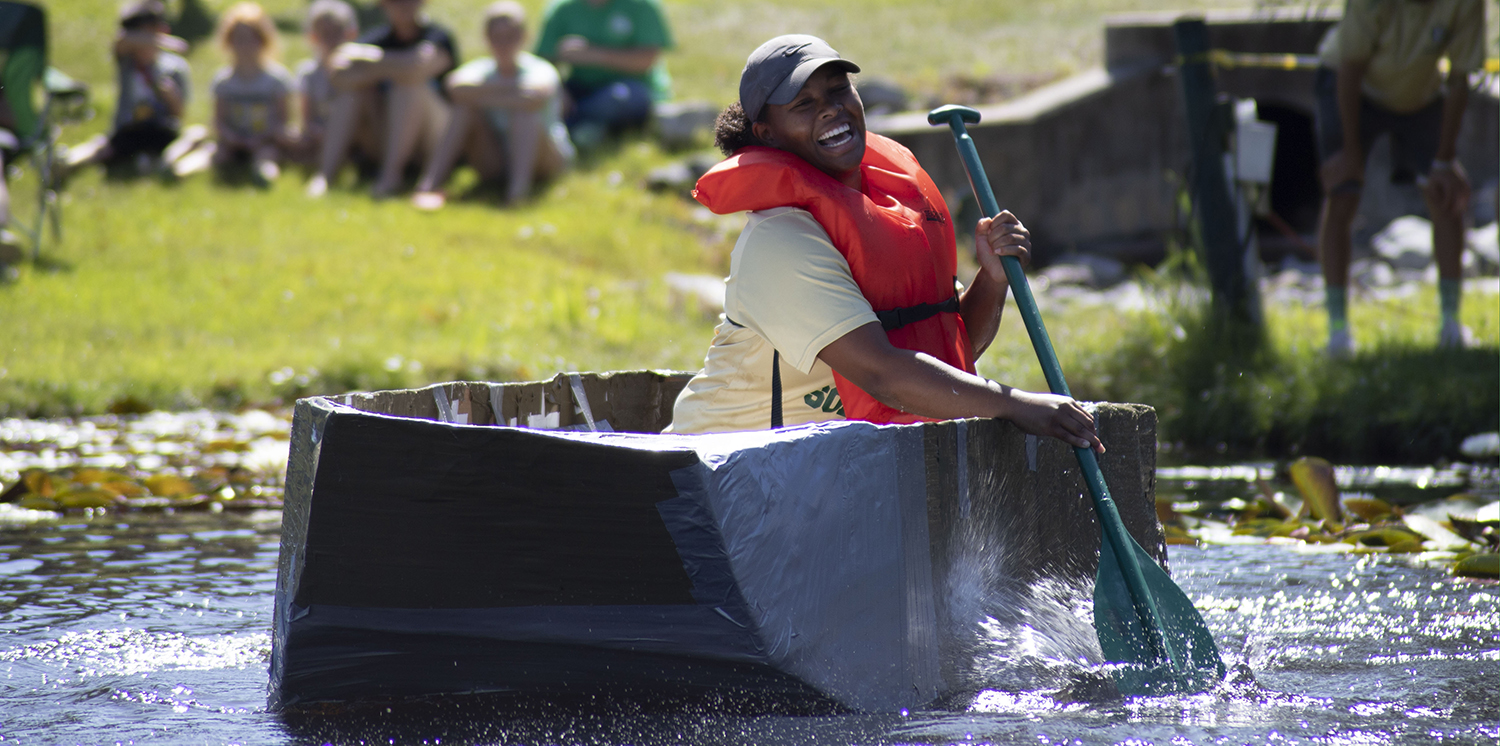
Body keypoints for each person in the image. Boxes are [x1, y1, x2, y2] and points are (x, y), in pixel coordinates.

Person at [668, 34, 1102, 455]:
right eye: (804, 104)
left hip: (814, 467)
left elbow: (947, 351)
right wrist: (1015, 404)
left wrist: (991, 279)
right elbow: (884, 373)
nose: (832, 110)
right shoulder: (781, 239)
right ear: (767, 134)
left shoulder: (892, 210)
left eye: (840, 90)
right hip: (713, 470)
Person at [1314, 0, 1486, 355]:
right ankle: (1337, 332)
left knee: (1447, 195)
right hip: (1352, 88)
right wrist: (1349, 151)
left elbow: (1459, 79)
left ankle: (1451, 326)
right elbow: (1350, 67)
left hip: (1419, 94)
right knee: (1343, 193)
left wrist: (1444, 158)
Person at [411, 1, 574, 210]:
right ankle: (429, 185)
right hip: (496, 158)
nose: (504, 44)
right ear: (487, 38)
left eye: (511, 36)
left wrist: (481, 95)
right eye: (497, 37)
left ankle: (517, 195)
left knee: (524, 115)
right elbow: (454, 88)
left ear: (524, 37)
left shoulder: (539, 68)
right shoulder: (481, 69)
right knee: (464, 111)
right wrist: (513, 93)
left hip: (544, 159)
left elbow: (535, 97)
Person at [305, 0, 458, 198]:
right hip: (385, 135)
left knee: (408, 89)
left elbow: (417, 70)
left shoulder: (438, 36)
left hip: (433, 142)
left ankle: (390, 176)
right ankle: (326, 175)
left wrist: (370, 61)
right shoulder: (376, 38)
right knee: (352, 94)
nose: (403, 5)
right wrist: (401, 64)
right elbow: (339, 76)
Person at [64, 0, 205, 175]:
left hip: (162, 131)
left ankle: (166, 163)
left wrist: (171, 96)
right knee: (101, 146)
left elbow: (180, 114)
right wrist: (165, 42)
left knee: (196, 134)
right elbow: (123, 39)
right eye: (149, 31)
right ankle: (66, 163)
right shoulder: (127, 62)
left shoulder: (175, 67)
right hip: (129, 131)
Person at [533, 0, 673, 150]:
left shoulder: (642, 5)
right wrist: (560, 91)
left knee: (618, 98)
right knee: (543, 95)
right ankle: (584, 128)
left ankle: (569, 126)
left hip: (633, 87)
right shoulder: (562, 8)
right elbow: (541, 64)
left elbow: (646, 60)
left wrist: (595, 54)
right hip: (579, 87)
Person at [206, 2, 294, 185]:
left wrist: (262, 139)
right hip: (232, 141)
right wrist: (232, 138)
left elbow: (284, 122)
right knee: (218, 155)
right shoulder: (223, 81)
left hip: (265, 141)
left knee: (267, 156)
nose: (245, 45)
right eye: (239, 38)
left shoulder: (277, 80)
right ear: (228, 41)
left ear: (263, 40)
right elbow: (218, 121)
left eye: (251, 38)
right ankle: (177, 172)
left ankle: (264, 177)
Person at [293, 0, 358, 166]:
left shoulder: (358, 71)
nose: (331, 40)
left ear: (350, 34)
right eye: (325, 34)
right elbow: (307, 120)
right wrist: (320, 133)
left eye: (337, 32)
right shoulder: (308, 73)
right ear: (314, 36)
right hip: (319, 135)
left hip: (353, 136)